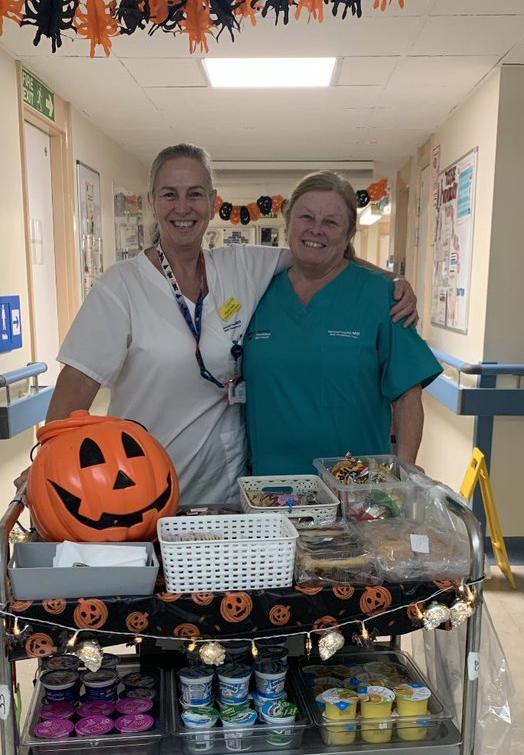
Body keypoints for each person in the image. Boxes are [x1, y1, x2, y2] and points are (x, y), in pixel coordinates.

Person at [39, 144, 419, 505]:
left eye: (196, 193)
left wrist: (393, 283)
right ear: (153, 201)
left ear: (212, 200)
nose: (183, 207)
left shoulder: (239, 266)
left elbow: (320, 253)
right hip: (140, 487)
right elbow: (76, 385)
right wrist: (46, 467)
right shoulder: (120, 286)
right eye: (170, 194)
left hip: (228, 490)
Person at [242, 170, 443, 475]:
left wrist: (405, 465)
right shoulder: (256, 290)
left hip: (357, 487)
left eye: (331, 222)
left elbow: (407, 392)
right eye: (306, 217)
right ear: (288, 223)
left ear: (349, 234)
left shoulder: (383, 297)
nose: (316, 229)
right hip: (271, 486)